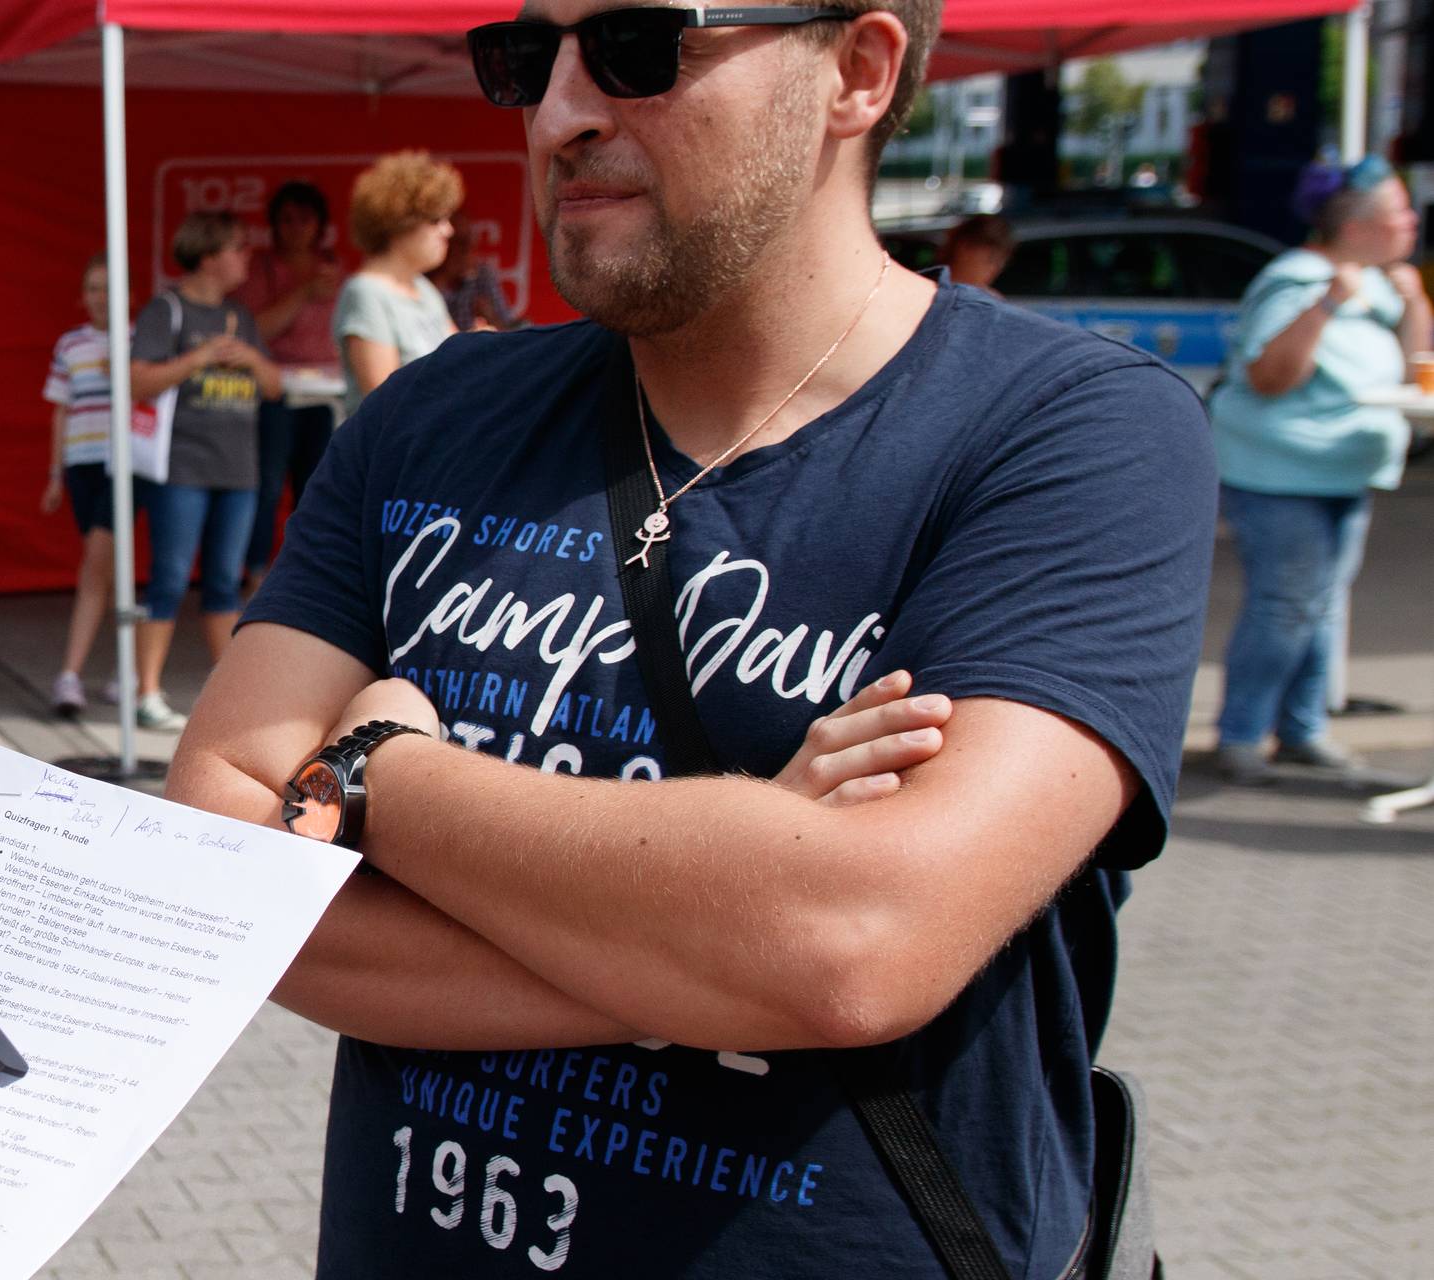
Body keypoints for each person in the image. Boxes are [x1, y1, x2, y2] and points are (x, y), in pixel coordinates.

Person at [167, 1, 1214, 1276]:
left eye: (636, 47)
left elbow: (857, 940)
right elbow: (225, 867)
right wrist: (721, 940)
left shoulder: (1071, 435)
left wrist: (385, 774)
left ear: (860, 72)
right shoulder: (432, 417)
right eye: (526, 59)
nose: (557, 115)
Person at [1204, 154, 1424, 785]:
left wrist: (1412, 304)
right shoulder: (1298, 280)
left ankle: (1302, 730)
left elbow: (1418, 367)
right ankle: (1242, 734)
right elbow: (1270, 378)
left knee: (1320, 606)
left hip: (1342, 473)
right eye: (1399, 210)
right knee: (1286, 605)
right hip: (1281, 474)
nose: (1412, 221)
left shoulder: (1381, 284)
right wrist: (1328, 303)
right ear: (1357, 226)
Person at [128, 211, 281, 733]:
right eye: (238, 247)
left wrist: (248, 360)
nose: (246, 257)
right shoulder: (166, 310)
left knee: (225, 581)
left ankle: (227, 694)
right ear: (210, 254)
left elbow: (275, 386)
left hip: (238, 470)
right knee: (168, 578)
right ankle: (145, 693)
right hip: (182, 467)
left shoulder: (241, 316)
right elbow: (137, 381)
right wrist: (201, 358)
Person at [38, 257, 138, 718]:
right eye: (94, 288)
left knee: (97, 563)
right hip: (82, 461)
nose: (102, 297)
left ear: (127, 296)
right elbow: (60, 409)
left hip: (125, 462)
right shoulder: (70, 344)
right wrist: (56, 475)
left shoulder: (140, 340)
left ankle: (70, 673)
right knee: (107, 563)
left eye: (110, 288)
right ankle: (126, 668)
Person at [233, 181, 344, 587]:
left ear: (320, 225)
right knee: (267, 485)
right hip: (275, 390)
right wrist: (303, 293)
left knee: (317, 486)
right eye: (286, 220)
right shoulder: (262, 267)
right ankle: (256, 574)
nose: (295, 228)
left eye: (304, 219)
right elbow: (254, 329)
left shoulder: (336, 267)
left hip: (327, 394)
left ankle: (303, 576)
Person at [334, 151, 464, 414]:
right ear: (400, 222)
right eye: (436, 219)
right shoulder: (366, 293)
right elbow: (385, 399)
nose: (448, 230)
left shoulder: (424, 290)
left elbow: (460, 360)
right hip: (387, 452)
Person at [431, 210, 527, 334]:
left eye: (470, 240)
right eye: (459, 242)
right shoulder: (423, 276)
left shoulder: (482, 275)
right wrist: (444, 276)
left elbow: (508, 331)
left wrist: (490, 316)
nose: (467, 248)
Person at [942, 212, 1017, 293]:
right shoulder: (931, 291)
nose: (995, 269)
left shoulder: (990, 300)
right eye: (991, 259)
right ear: (965, 247)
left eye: (1001, 263)